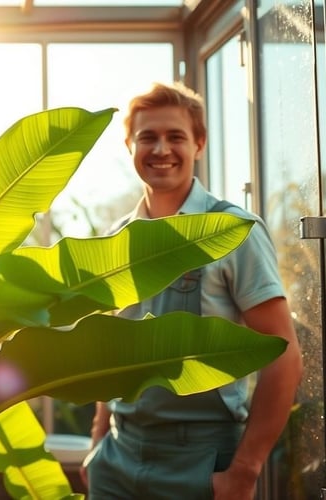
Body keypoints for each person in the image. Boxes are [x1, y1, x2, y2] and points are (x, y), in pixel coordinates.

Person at [80, 82, 303, 500]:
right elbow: (109, 354)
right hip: (117, 457)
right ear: (129, 144)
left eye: (176, 136)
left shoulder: (233, 232)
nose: (161, 149)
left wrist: (244, 472)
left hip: (201, 463)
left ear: (198, 144)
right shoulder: (115, 241)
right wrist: (97, 446)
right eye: (147, 137)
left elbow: (284, 358)